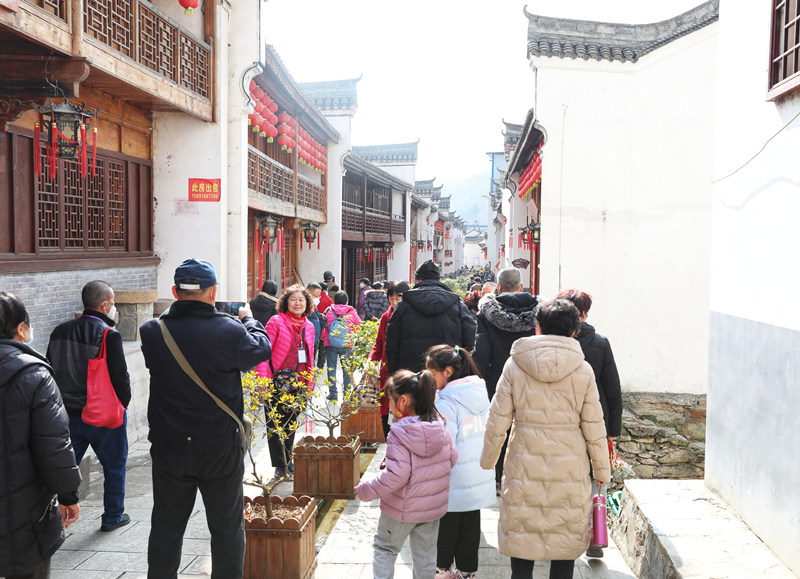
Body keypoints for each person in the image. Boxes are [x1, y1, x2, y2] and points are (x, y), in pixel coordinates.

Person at [139, 258, 271, 578]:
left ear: (174, 291)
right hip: (219, 445)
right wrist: (249, 321)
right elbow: (261, 349)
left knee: (167, 526)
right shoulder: (228, 329)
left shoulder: (152, 331)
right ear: (213, 292)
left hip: (170, 446)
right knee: (226, 526)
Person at [480, 299, 610, 579]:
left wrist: (487, 461)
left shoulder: (515, 365)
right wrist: (602, 471)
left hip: (523, 463)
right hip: (569, 468)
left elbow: (497, 418)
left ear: (537, 326)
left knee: (522, 543)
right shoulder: (583, 370)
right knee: (563, 548)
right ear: (575, 331)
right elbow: (594, 426)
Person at [0, 291, 81, 579]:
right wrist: (68, 493)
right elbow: (54, 445)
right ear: (21, 328)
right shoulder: (33, 375)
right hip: (22, 509)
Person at [46, 280, 131, 532]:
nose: (114, 307)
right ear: (105, 305)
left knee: (63, 466)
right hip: (102, 414)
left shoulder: (59, 331)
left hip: (65, 414)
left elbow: (50, 371)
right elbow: (121, 377)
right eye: (113, 303)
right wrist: (121, 406)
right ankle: (113, 517)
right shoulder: (108, 334)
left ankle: (49, 517)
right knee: (114, 466)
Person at [355, 370, 458, 579]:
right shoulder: (440, 425)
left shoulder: (400, 432)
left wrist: (365, 490)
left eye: (390, 402)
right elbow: (453, 458)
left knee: (385, 548)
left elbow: (396, 476)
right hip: (432, 508)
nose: (390, 408)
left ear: (402, 401)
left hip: (401, 508)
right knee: (426, 555)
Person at [556, 289, 622, 558]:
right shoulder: (600, 343)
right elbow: (612, 389)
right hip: (595, 420)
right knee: (594, 480)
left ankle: (563, 534)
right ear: (585, 313)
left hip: (562, 421)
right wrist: (612, 432)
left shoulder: (551, 344)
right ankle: (594, 535)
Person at [425, 345, 495, 579]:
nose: (430, 379)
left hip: (453, 478)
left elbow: (444, 447)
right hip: (477, 473)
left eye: (432, 374)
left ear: (447, 371)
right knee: (470, 527)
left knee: (446, 529)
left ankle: (442, 571)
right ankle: (466, 573)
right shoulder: (479, 392)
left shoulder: (446, 402)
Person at [472, 267, 539, 488]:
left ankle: (501, 476)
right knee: (528, 427)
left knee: (500, 428)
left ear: (498, 288)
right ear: (521, 287)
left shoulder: (487, 314)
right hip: (532, 379)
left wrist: (479, 380)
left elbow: (481, 352)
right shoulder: (541, 312)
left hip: (497, 379)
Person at [255, 285, 316, 479]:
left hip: (297, 383)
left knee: (291, 424)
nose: (297, 303)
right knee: (276, 424)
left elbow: (310, 358)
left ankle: (288, 460)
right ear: (285, 302)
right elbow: (263, 353)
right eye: (293, 299)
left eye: (301, 300)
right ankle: (280, 465)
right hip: (275, 382)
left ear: (307, 303)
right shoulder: (276, 322)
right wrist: (262, 380)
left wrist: (309, 384)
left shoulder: (309, 326)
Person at [385, 259, 476, 374]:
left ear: (417, 280)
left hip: (411, 374)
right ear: (438, 280)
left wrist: (394, 372)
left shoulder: (404, 305)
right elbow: (470, 337)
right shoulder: (456, 304)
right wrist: (458, 362)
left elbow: (391, 342)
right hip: (446, 372)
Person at [369, 280, 409, 439]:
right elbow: (379, 343)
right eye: (391, 299)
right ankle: (389, 451)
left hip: (407, 373)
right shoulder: (386, 317)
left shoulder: (411, 317)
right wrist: (371, 362)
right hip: (387, 373)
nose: (394, 302)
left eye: (397, 299)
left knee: (406, 413)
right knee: (387, 413)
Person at [322, 291, 361, 401]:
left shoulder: (329, 311)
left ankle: (333, 393)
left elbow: (325, 325)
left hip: (330, 343)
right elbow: (359, 325)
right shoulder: (351, 311)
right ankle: (346, 392)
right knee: (346, 369)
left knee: (331, 368)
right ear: (346, 301)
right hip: (346, 343)